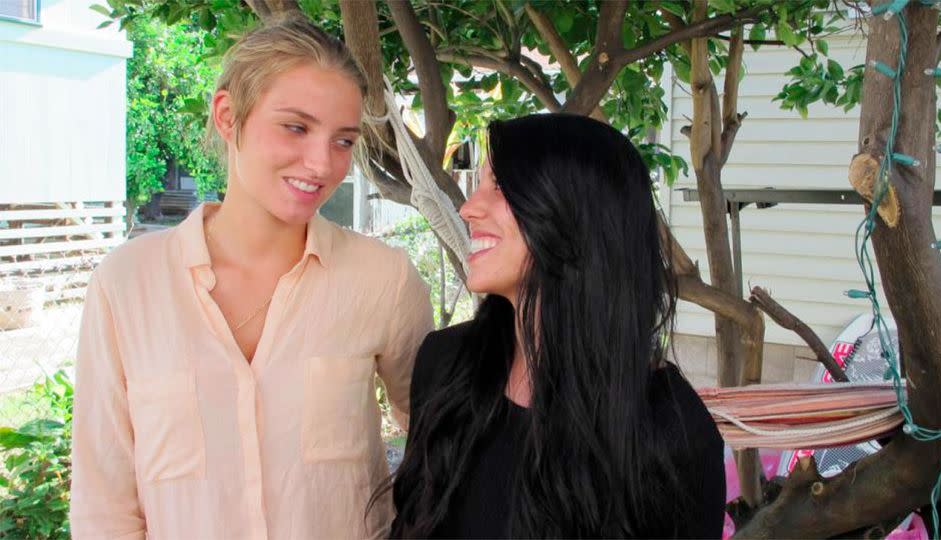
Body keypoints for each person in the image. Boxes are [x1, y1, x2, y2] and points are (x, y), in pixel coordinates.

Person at [69, 14, 433, 539]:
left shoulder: (383, 281)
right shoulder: (127, 286)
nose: (322, 164)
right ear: (227, 114)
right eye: (297, 127)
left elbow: (439, 438)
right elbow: (104, 505)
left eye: (343, 141)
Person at [384, 113, 726, 538]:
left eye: (502, 187)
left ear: (576, 216)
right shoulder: (446, 365)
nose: (469, 208)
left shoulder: (672, 432)